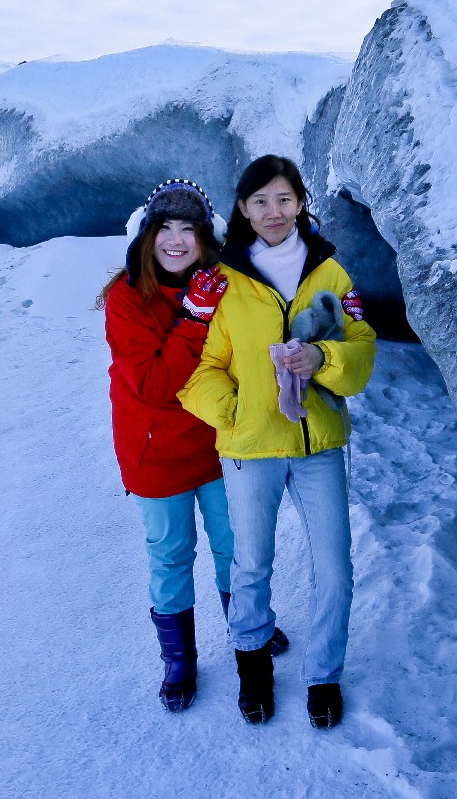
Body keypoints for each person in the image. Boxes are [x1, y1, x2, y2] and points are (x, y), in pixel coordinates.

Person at [179, 156, 377, 729]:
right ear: (242, 208)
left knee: (335, 568)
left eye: (285, 199)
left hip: (318, 447)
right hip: (250, 449)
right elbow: (199, 367)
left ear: (301, 203)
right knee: (251, 565)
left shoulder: (331, 275)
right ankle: (254, 672)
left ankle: (323, 676)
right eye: (260, 201)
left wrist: (323, 358)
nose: (274, 212)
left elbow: (361, 361)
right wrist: (236, 414)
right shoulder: (222, 281)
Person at [100, 178, 286, 713]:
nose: (176, 240)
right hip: (155, 453)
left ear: (207, 239)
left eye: (189, 229)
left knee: (237, 548)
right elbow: (157, 386)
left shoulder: (225, 286)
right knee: (172, 556)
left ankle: (247, 627)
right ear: (145, 236)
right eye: (165, 228)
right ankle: (179, 659)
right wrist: (194, 319)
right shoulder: (126, 298)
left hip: (222, 443)